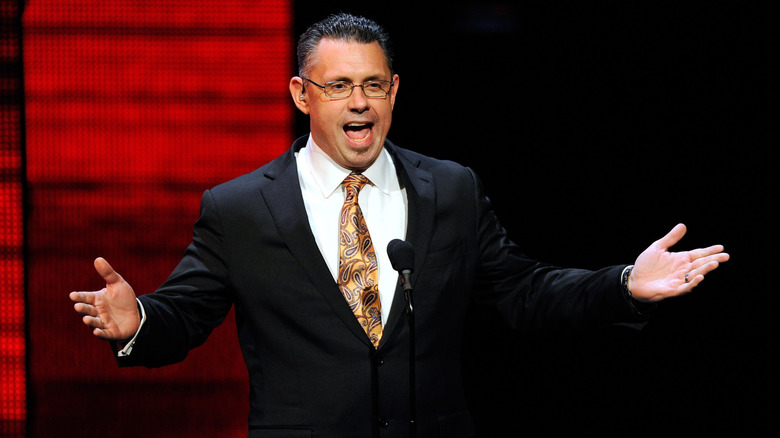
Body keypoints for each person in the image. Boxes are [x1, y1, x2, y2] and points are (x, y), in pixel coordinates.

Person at [69, 13, 729, 438]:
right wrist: (140, 323)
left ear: (393, 91)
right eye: (338, 86)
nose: (359, 102)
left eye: (374, 85)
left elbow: (523, 293)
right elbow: (184, 319)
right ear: (302, 94)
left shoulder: (450, 188)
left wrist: (622, 284)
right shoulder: (240, 208)